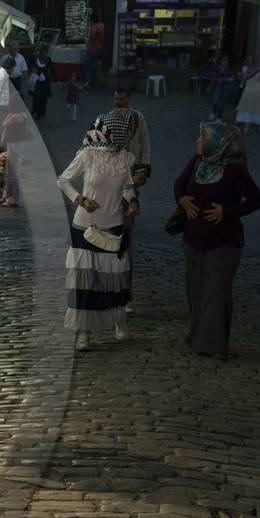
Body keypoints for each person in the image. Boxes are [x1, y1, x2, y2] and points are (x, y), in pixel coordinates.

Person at [173, 122, 260, 361]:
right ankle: (197, 336)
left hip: (224, 241)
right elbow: (179, 184)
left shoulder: (234, 170)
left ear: (216, 142)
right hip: (193, 238)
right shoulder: (198, 162)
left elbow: (256, 200)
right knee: (197, 290)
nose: (197, 142)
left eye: (201, 138)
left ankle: (214, 345)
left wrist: (227, 212)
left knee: (217, 291)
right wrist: (182, 200)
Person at [57, 126, 140, 351]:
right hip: (85, 226)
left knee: (114, 278)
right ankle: (84, 332)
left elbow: (127, 187)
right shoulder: (87, 155)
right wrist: (81, 199)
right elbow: (63, 180)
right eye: (128, 133)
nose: (131, 137)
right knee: (86, 281)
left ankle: (118, 322)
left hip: (114, 226)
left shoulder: (125, 158)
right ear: (115, 133)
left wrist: (132, 201)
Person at [91, 89, 152, 304]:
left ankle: (123, 293)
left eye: (122, 99)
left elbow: (144, 146)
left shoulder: (138, 120)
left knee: (123, 248)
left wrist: (137, 181)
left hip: (124, 199)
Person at [235, 52, 260, 133]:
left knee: (248, 109)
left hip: (248, 91)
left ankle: (247, 126)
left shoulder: (250, 69)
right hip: (259, 92)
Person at [30, 49, 55, 120]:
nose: (44, 54)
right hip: (36, 81)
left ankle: (41, 113)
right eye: (43, 52)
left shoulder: (48, 60)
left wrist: (57, 79)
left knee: (44, 98)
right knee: (36, 97)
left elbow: (52, 69)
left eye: (45, 53)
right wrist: (33, 69)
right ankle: (34, 111)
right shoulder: (35, 59)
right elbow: (30, 66)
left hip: (45, 82)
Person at [209, 54, 234, 120]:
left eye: (226, 61)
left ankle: (219, 116)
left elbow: (232, 76)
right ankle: (214, 112)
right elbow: (214, 78)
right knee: (215, 101)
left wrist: (230, 79)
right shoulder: (217, 68)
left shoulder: (229, 68)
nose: (225, 62)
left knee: (222, 103)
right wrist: (210, 86)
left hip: (226, 86)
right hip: (218, 86)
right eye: (224, 60)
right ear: (220, 60)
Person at [85, 17, 104, 90]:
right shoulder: (102, 25)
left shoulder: (95, 26)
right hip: (100, 48)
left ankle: (90, 83)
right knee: (95, 66)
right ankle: (95, 82)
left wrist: (90, 42)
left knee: (90, 67)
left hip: (93, 49)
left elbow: (93, 35)